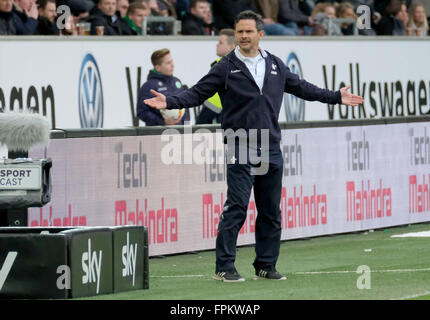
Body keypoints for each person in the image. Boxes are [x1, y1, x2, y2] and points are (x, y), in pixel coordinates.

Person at [144, 10, 363, 282]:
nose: (244, 36)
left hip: (270, 144)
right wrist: (170, 102)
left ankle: (265, 265)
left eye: (249, 31)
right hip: (240, 143)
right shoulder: (225, 66)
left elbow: (303, 88)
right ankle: (224, 267)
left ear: (261, 34)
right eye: (239, 32)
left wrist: (335, 97)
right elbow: (197, 93)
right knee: (237, 206)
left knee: (270, 210)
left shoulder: (275, 64)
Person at [137, 48, 190, 126]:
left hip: (180, 132)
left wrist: (186, 128)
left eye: (172, 61)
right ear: (157, 67)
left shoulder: (177, 81)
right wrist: (163, 122)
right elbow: (142, 112)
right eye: (168, 63)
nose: (172, 65)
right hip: (158, 134)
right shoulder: (148, 86)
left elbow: (185, 107)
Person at [196, 28, 236, 124]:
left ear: (231, 47)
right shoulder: (238, 65)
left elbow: (215, 101)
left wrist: (200, 123)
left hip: (215, 114)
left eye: (221, 43)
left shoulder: (222, 66)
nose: (217, 45)